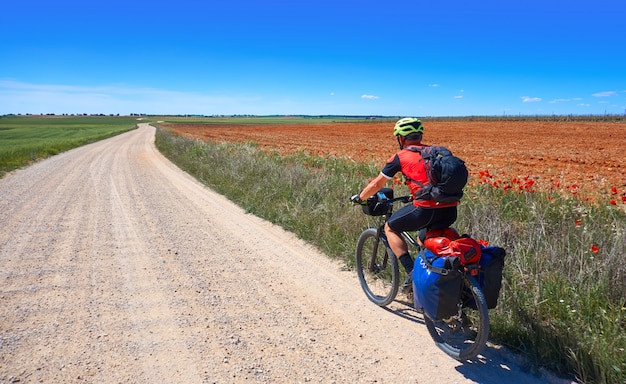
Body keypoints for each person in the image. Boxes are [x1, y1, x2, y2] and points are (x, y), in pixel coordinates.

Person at [350, 117, 459, 292]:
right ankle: (436, 279)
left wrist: (360, 198)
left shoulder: (399, 157)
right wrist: (415, 194)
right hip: (449, 209)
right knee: (422, 239)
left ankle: (411, 273)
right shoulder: (434, 153)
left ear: (400, 138)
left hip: (425, 210)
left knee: (390, 228)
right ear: (419, 135)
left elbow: (377, 185)